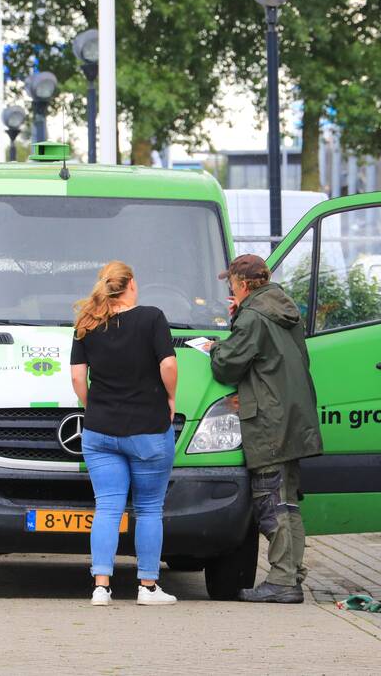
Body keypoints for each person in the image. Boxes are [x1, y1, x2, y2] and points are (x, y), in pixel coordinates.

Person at [206, 254, 323, 603]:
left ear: (242, 284)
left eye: (231, 285)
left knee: (271, 500)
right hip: (293, 416)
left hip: (270, 420)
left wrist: (215, 349)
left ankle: (283, 580)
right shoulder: (283, 309)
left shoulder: (254, 316)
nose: (231, 290)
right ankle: (291, 574)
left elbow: (227, 367)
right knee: (287, 501)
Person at [70, 260, 179, 607]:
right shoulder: (152, 318)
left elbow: (76, 377)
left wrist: (94, 406)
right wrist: (171, 397)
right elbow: (168, 364)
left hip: (100, 431)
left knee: (107, 507)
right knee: (148, 508)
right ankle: (147, 587)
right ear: (130, 284)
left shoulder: (86, 323)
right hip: (148, 428)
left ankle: (100, 587)